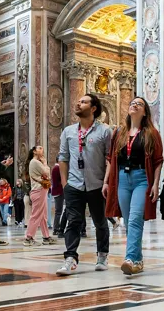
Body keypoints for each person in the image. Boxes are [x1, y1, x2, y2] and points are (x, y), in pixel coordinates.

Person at [56, 94, 114, 276]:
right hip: (74, 184)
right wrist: (65, 184)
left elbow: (110, 159)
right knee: (73, 222)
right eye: (78, 101)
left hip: (96, 184)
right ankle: (70, 258)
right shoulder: (68, 131)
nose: (78, 103)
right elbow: (63, 158)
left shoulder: (105, 131)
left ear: (94, 108)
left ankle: (102, 255)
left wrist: (106, 182)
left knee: (100, 222)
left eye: (83, 102)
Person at [105, 96, 164, 275]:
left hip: (141, 178)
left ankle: (130, 258)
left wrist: (155, 184)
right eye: (132, 103)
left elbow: (158, 161)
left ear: (145, 111)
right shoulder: (119, 132)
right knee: (129, 221)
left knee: (135, 218)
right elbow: (110, 159)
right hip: (122, 178)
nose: (134, 105)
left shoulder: (151, 133)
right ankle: (137, 260)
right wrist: (106, 181)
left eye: (139, 104)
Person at [23, 145, 56, 246]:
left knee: (43, 215)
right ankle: (28, 237)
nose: (42, 150)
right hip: (38, 190)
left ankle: (46, 237)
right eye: (39, 148)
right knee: (36, 214)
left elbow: (48, 176)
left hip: (41, 190)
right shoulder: (35, 162)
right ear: (34, 151)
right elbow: (47, 173)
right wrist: (45, 164)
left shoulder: (37, 162)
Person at [51, 159, 65, 236]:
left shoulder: (56, 168)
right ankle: (56, 228)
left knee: (58, 211)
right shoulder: (57, 168)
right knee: (58, 211)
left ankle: (57, 226)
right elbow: (59, 181)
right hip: (59, 192)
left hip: (58, 191)